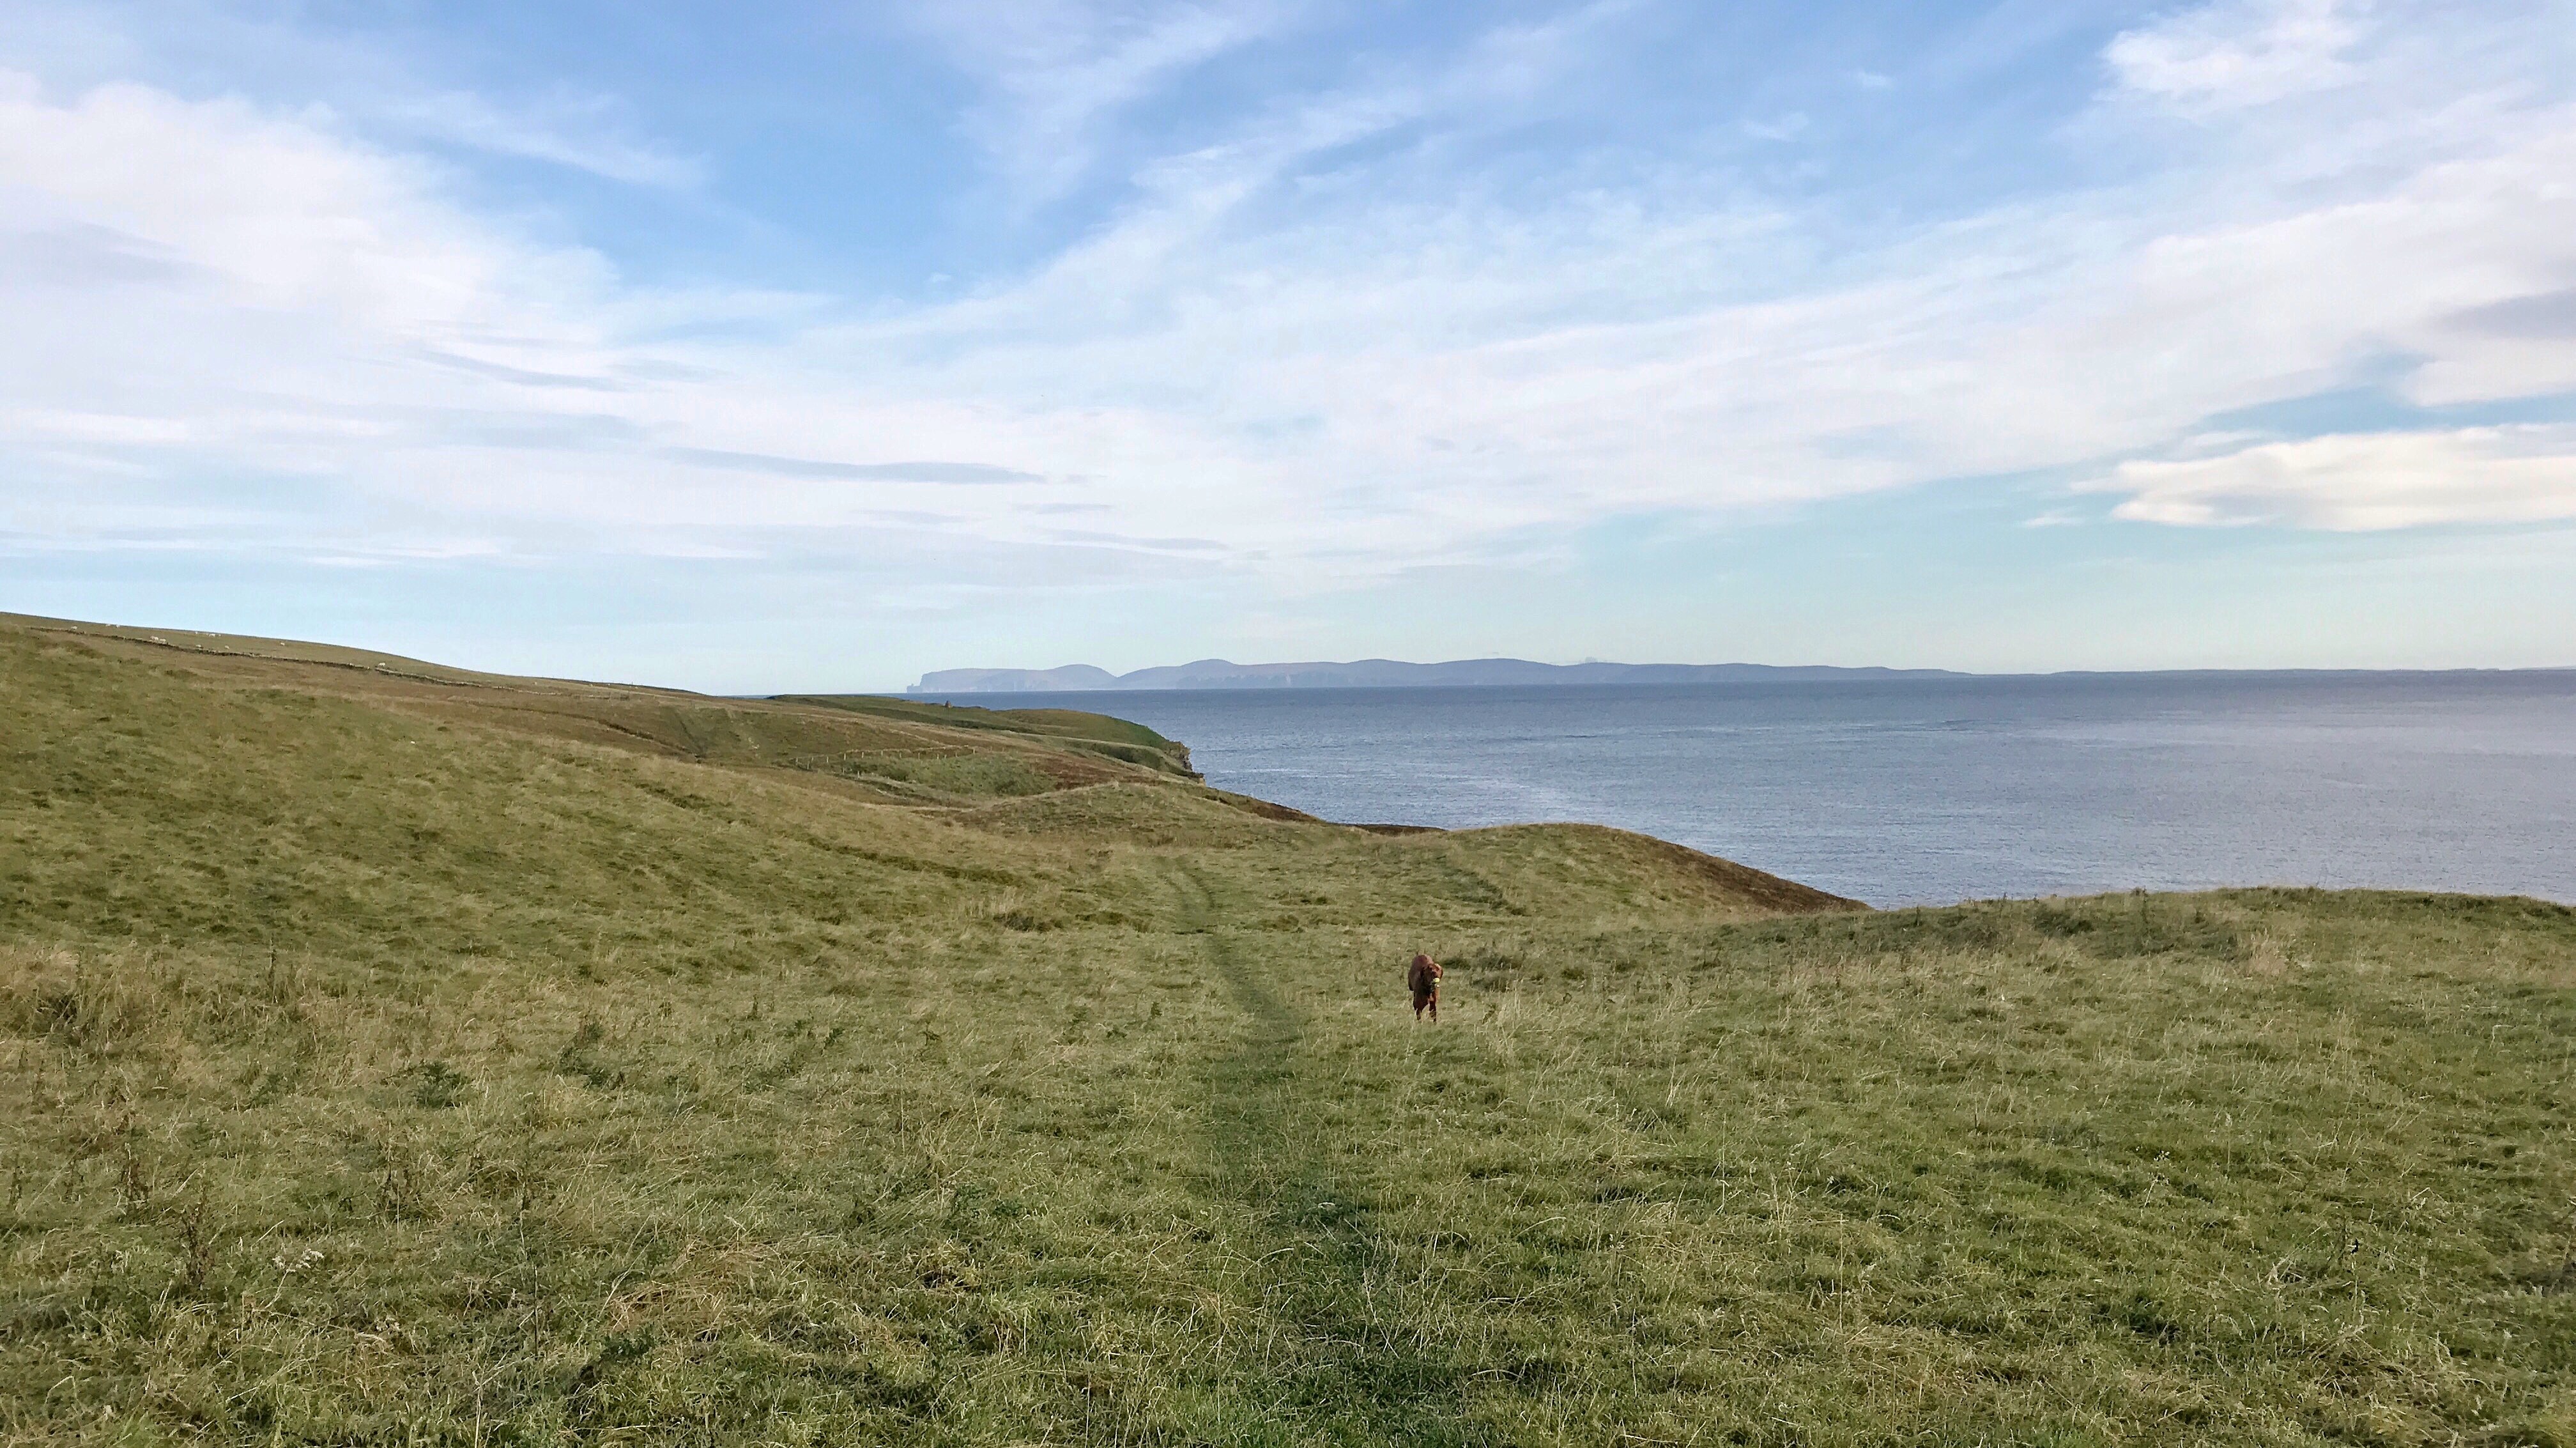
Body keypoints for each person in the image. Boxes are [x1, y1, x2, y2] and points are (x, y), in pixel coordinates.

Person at [1407, 951, 1443, 1022]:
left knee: (1433, 1002)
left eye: (1437, 970)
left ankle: (1434, 1021)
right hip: (1420, 984)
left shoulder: (1435, 985)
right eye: (1430, 970)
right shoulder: (1419, 980)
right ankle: (1418, 1020)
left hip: (1430, 986)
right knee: (1418, 1004)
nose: (1434, 972)